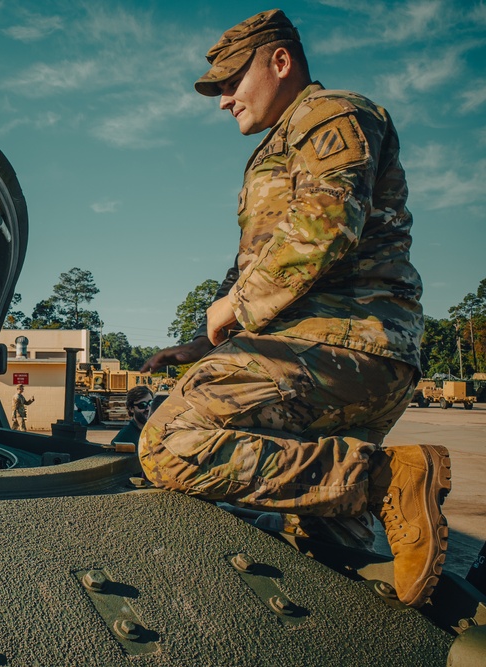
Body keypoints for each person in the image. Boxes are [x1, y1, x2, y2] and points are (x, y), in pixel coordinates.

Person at [138, 9, 450, 608]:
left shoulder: (333, 114)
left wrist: (236, 305)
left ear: (280, 62)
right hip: (324, 348)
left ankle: (381, 481)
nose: (224, 100)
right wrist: (202, 345)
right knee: (331, 562)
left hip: (347, 343)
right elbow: (260, 261)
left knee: (170, 440)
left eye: (232, 82)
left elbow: (326, 228)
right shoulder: (277, 149)